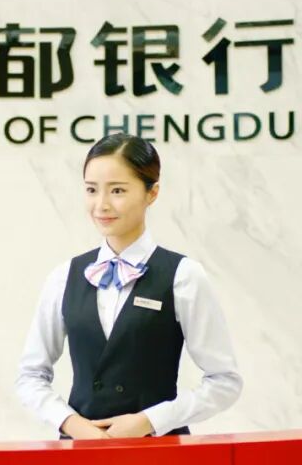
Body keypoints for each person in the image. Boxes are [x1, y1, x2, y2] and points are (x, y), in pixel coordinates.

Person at [16, 133, 243, 439]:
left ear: (152, 193)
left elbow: (225, 381)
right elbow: (30, 376)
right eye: (91, 190)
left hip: (160, 450)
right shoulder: (64, 277)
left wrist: (151, 420)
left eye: (118, 190)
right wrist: (71, 423)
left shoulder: (184, 276)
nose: (101, 205)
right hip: (80, 452)